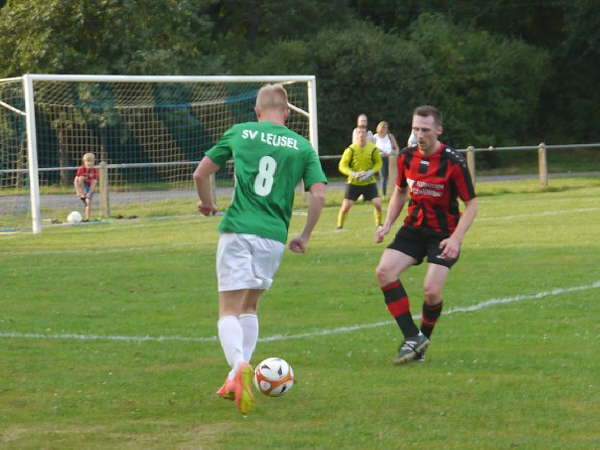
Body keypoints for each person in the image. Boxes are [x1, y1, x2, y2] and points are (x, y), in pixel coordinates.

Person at [192, 83, 327, 415]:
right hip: (274, 237)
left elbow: (201, 173)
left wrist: (208, 204)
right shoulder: (302, 146)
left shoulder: (240, 132)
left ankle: (238, 365)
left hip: (238, 229)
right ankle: (237, 373)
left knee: (228, 310)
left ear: (257, 111)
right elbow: (320, 194)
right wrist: (305, 235)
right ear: (287, 111)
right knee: (249, 307)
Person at [374, 105, 477, 364]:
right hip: (413, 229)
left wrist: (456, 239)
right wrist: (387, 224)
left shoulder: (453, 162)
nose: (420, 135)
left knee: (431, 291)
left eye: (425, 130)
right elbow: (399, 192)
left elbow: (472, 204)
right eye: (416, 129)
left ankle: (422, 342)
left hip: (443, 234)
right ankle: (413, 337)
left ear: (438, 130)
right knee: (384, 271)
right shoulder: (406, 157)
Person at [336, 127, 383, 230]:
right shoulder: (351, 149)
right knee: (345, 207)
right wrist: (353, 173)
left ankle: (379, 224)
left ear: (367, 135)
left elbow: (379, 163)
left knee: (378, 204)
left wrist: (370, 172)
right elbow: (342, 165)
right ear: (356, 135)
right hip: (353, 182)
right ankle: (339, 226)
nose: (361, 135)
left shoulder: (373, 148)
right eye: (359, 133)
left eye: (363, 133)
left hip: (369, 182)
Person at [373, 121, 400, 198]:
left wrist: (395, 154)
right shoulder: (375, 137)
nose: (384, 129)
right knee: (383, 176)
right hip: (380, 158)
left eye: (386, 127)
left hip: (391, 158)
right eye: (383, 127)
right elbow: (372, 149)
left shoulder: (390, 136)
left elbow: (396, 147)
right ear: (379, 128)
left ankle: (395, 194)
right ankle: (384, 194)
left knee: (393, 176)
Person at [74, 153, 98, 222]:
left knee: (88, 202)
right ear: (84, 162)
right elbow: (76, 181)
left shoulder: (94, 170)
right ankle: (83, 194)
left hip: (89, 187)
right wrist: (78, 192)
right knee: (80, 178)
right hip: (82, 187)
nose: (89, 163)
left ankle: (87, 219)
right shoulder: (81, 169)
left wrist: (89, 193)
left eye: (91, 161)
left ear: (94, 162)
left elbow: (94, 183)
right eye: (88, 161)